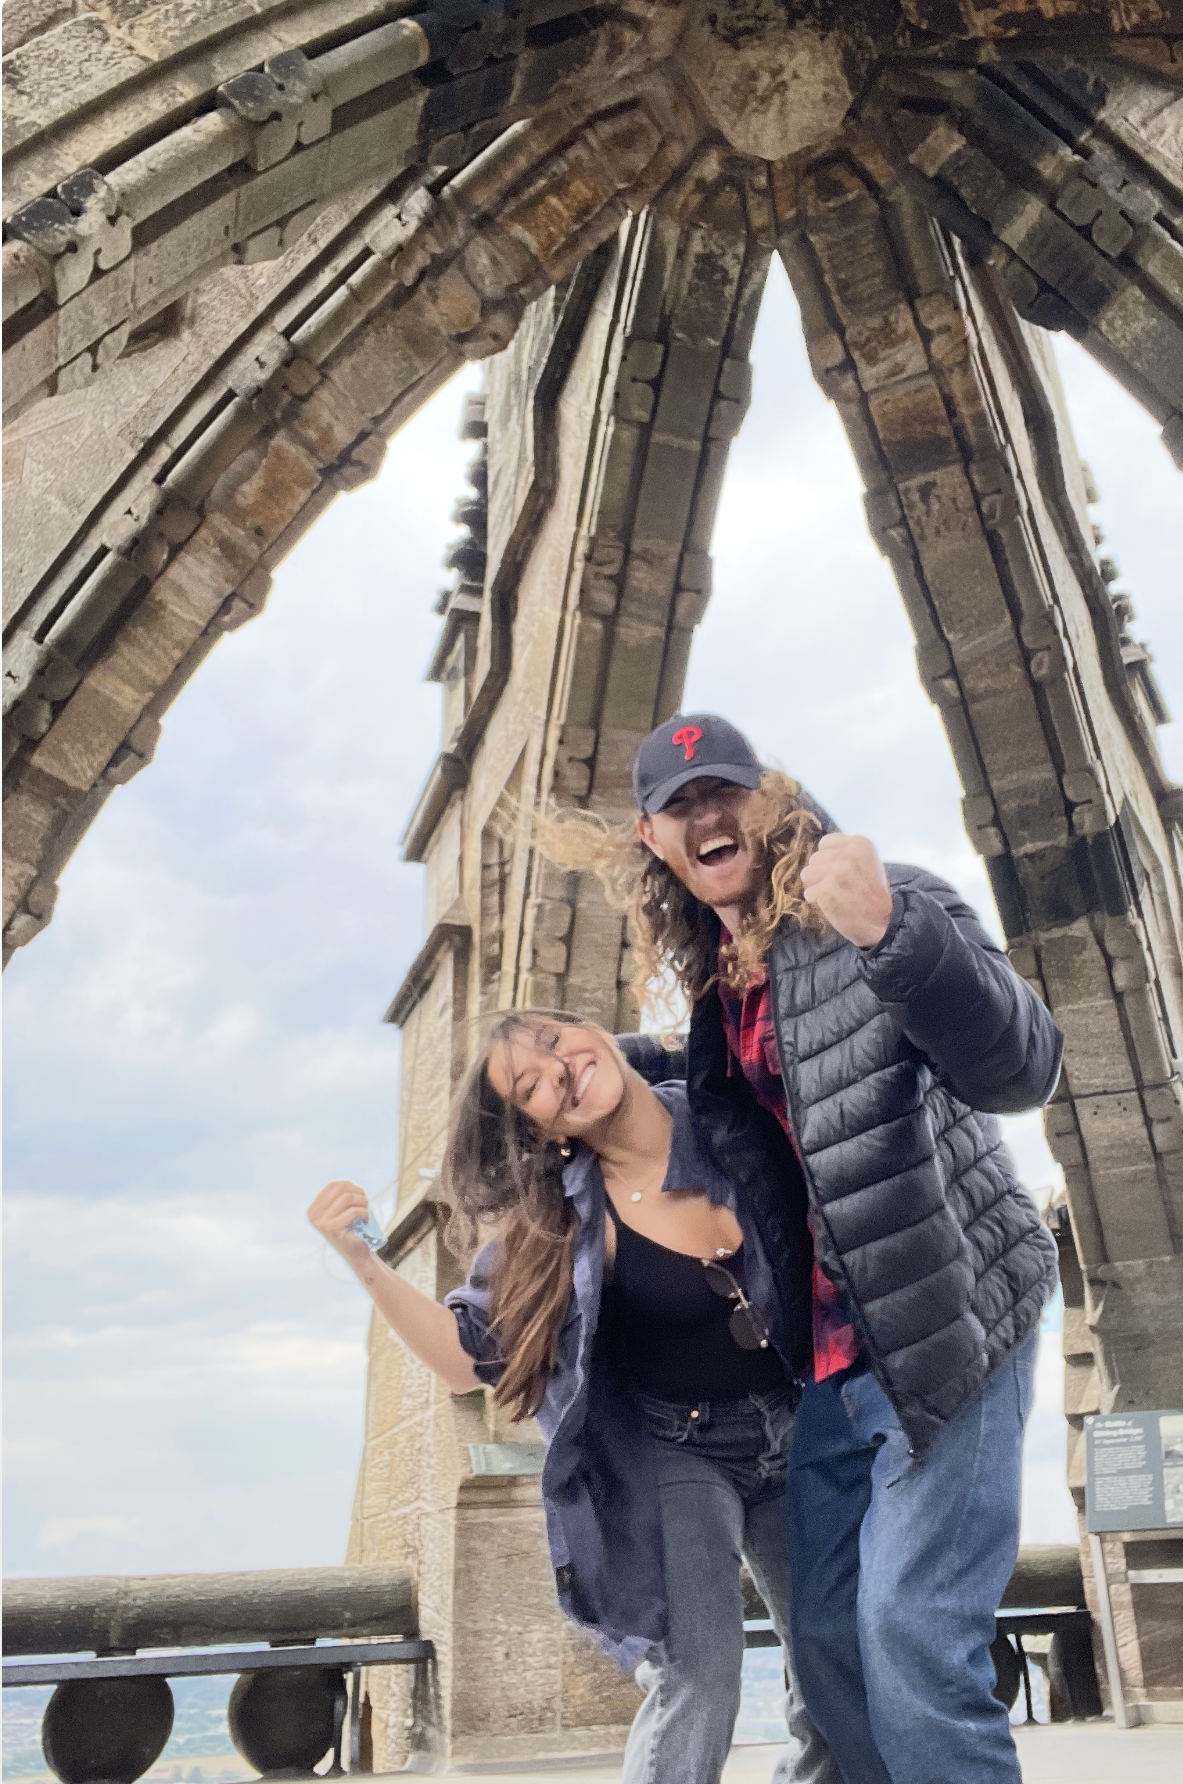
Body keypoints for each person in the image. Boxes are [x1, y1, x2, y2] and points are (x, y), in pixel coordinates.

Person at [552, 713, 1064, 1784]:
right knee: (826, 1643)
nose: (707, 813)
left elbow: (1022, 1066)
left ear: (770, 796)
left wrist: (891, 930)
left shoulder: (888, 898)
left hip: (951, 1316)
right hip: (833, 1361)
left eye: (725, 788)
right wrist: (551, 1084)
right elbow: (699, 1088)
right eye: (680, 804)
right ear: (653, 837)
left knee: (911, 1631)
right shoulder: (719, 985)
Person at [308, 1010, 839, 1784]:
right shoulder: (564, 1221)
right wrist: (364, 1263)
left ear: (589, 1028)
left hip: (800, 1427)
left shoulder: (729, 1109)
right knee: (698, 1675)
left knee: (835, 1663)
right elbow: (464, 1359)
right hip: (678, 1452)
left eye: (555, 1042)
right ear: (541, 1129)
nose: (559, 1071)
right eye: (530, 1085)